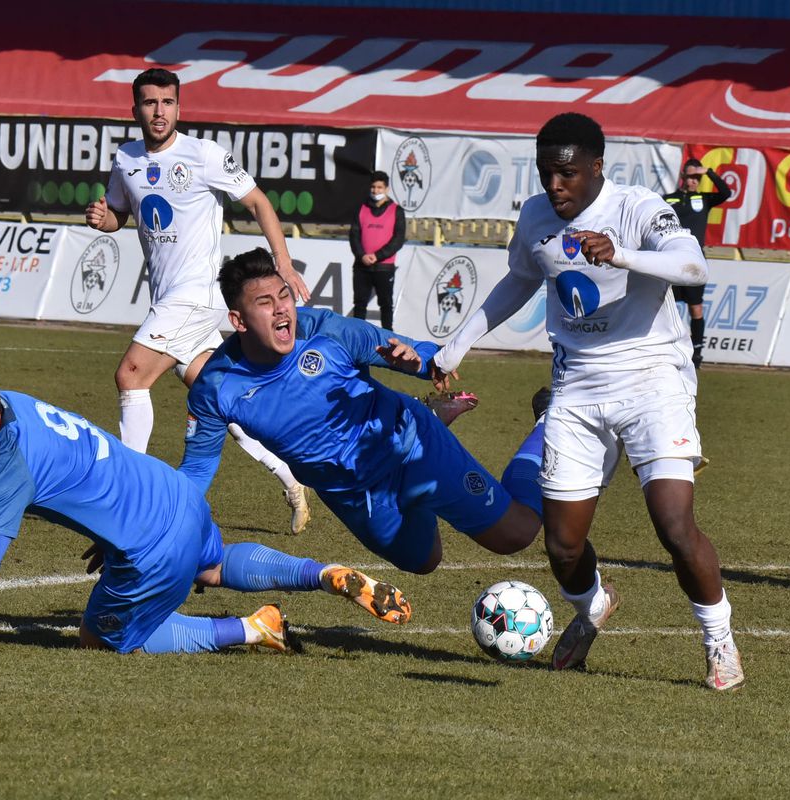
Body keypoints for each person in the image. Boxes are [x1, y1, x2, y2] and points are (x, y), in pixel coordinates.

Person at [432, 113, 744, 690]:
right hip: (576, 384)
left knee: (674, 525)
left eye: (567, 173)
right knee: (563, 542)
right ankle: (594, 604)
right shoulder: (534, 216)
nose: (555, 185)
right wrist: (457, 344)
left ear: (598, 167)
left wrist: (621, 254)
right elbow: (521, 280)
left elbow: (693, 264)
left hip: (653, 378)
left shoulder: (638, 207)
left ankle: (718, 639)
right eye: (547, 172)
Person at [0, 365, 411, 661]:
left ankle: (253, 628)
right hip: (176, 495)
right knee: (210, 566)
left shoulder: (8, 463)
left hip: (148, 547)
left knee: (101, 640)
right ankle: (319, 572)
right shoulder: (7, 404)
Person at [179, 248, 546, 582]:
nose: (281, 309)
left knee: (516, 535)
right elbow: (196, 471)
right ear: (238, 321)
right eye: (264, 302)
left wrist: (419, 359)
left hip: (411, 446)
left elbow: (406, 350)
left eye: (284, 296)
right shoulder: (215, 388)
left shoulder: (323, 331)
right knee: (424, 560)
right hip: (353, 492)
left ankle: (548, 423)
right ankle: (427, 462)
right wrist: (168, 524)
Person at [84, 67, 313, 534]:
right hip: (167, 298)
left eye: (167, 103)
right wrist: (101, 218)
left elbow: (259, 203)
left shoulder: (204, 154)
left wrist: (283, 264)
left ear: (178, 107)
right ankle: (292, 479)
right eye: (149, 103)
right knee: (219, 400)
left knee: (130, 374)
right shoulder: (126, 159)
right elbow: (119, 217)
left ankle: (129, 496)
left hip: (197, 294)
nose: (159, 111)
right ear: (135, 110)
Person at [661, 158, 732, 369]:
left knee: (696, 308)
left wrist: (709, 171)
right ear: (683, 176)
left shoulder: (705, 198)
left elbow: (726, 193)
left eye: (697, 178)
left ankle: (697, 352)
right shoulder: (669, 198)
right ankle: (665, 348)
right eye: (691, 176)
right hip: (671, 258)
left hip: (694, 260)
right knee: (663, 306)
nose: (693, 181)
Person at [349, 170, 406, 331]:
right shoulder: (361, 208)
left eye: (379, 187)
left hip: (384, 267)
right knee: (359, 304)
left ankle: (388, 336)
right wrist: (362, 256)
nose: (376, 191)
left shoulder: (396, 210)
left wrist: (378, 256)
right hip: (362, 266)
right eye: (373, 187)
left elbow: (398, 239)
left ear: (386, 189)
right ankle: (357, 335)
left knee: (386, 304)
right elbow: (354, 235)